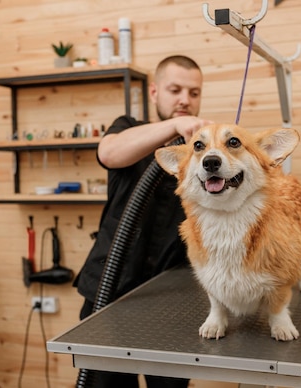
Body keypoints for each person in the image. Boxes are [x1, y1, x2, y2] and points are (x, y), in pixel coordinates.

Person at [73, 55, 212, 388]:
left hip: (172, 301)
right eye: (175, 89)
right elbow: (109, 153)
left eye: (194, 93)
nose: (185, 100)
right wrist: (175, 127)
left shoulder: (204, 151)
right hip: (110, 293)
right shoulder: (127, 128)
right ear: (154, 93)